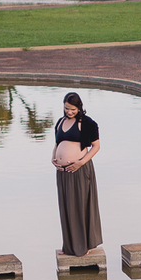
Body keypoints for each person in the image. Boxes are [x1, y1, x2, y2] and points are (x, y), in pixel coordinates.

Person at [52, 92, 102, 257]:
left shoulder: (87, 123)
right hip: (63, 172)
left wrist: (81, 162)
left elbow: (96, 146)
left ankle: (82, 247)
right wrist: (54, 157)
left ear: (79, 107)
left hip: (79, 170)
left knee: (79, 206)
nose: (69, 112)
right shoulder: (60, 122)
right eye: (67, 108)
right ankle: (68, 246)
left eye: (72, 109)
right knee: (66, 207)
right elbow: (58, 143)